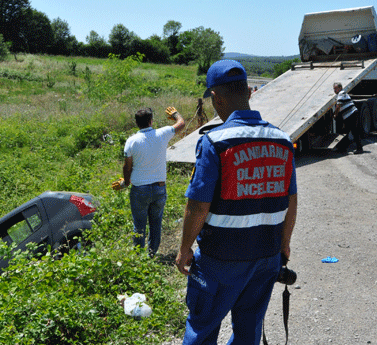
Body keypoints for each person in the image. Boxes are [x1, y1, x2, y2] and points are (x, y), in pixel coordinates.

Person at [175, 60, 298, 345]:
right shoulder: (282, 140)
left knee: (202, 330)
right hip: (266, 256)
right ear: (250, 92)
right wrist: (284, 243)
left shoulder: (215, 142)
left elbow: (198, 206)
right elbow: (291, 199)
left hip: (221, 259)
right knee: (248, 331)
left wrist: (184, 249)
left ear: (216, 98)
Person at [112, 107, 184, 257]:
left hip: (139, 190)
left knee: (139, 225)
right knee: (156, 223)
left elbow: (127, 166)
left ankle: (138, 258)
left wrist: (126, 182)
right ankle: (152, 253)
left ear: (136, 123)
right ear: (151, 121)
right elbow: (181, 124)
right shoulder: (162, 133)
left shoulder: (131, 141)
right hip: (159, 189)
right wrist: (175, 115)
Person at [333, 82, 364, 154]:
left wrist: (335, 115)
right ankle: (342, 148)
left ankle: (359, 149)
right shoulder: (340, 94)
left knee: (353, 131)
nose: (334, 90)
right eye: (334, 89)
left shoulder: (341, 93)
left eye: (336, 88)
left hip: (352, 114)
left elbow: (338, 106)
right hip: (349, 115)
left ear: (340, 88)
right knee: (345, 132)